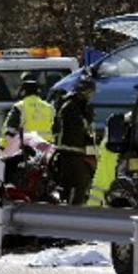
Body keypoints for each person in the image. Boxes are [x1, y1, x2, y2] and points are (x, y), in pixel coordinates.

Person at [53, 76, 97, 205]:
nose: (90, 96)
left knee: (74, 186)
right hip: (71, 153)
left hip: (75, 154)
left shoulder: (77, 106)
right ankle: (73, 213)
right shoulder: (72, 108)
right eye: (89, 93)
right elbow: (82, 131)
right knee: (79, 185)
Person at [0, 78, 55, 150]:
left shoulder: (20, 106)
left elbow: (10, 129)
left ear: (23, 92)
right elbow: (56, 129)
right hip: (46, 148)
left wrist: (3, 145)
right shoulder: (49, 107)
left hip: (28, 149)